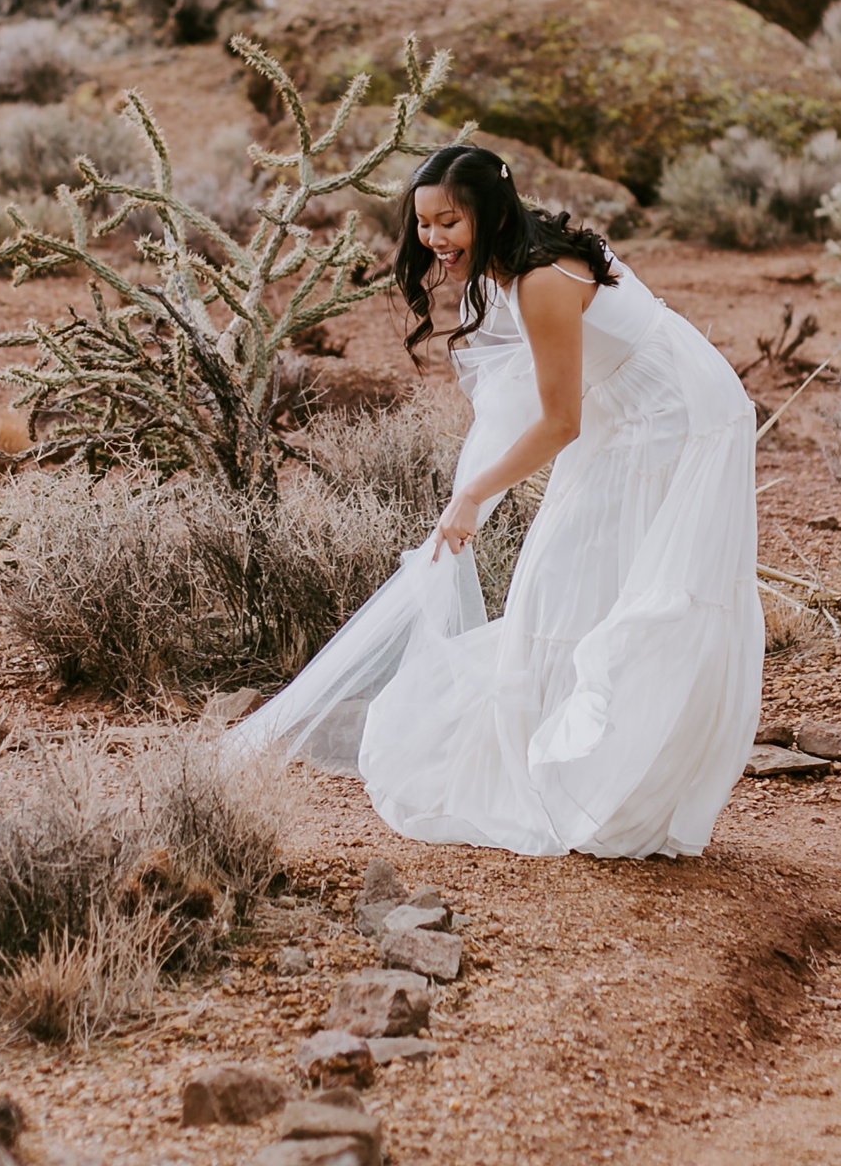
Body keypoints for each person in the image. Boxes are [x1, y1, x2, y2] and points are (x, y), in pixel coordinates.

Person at [228, 143, 762, 858]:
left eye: (449, 221)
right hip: (626, 413)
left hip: (674, 419)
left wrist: (474, 494)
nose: (434, 240)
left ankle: (604, 785)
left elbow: (560, 420)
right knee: (568, 581)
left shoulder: (539, 278)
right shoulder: (513, 260)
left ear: (488, 208)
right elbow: (539, 397)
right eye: (423, 225)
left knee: (629, 590)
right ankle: (588, 775)